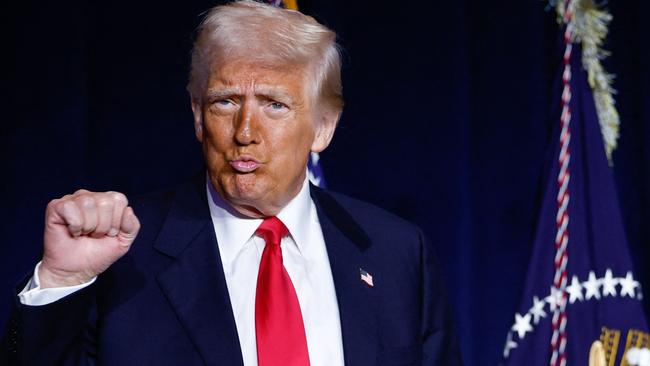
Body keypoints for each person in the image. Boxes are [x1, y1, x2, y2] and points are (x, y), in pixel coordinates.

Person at [2, 1, 461, 365]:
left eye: (274, 104)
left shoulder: (397, 252)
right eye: (224, 102)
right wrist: (63, 280)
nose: (245, 131)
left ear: (324, 126)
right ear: (198, 116)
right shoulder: (122, 256)